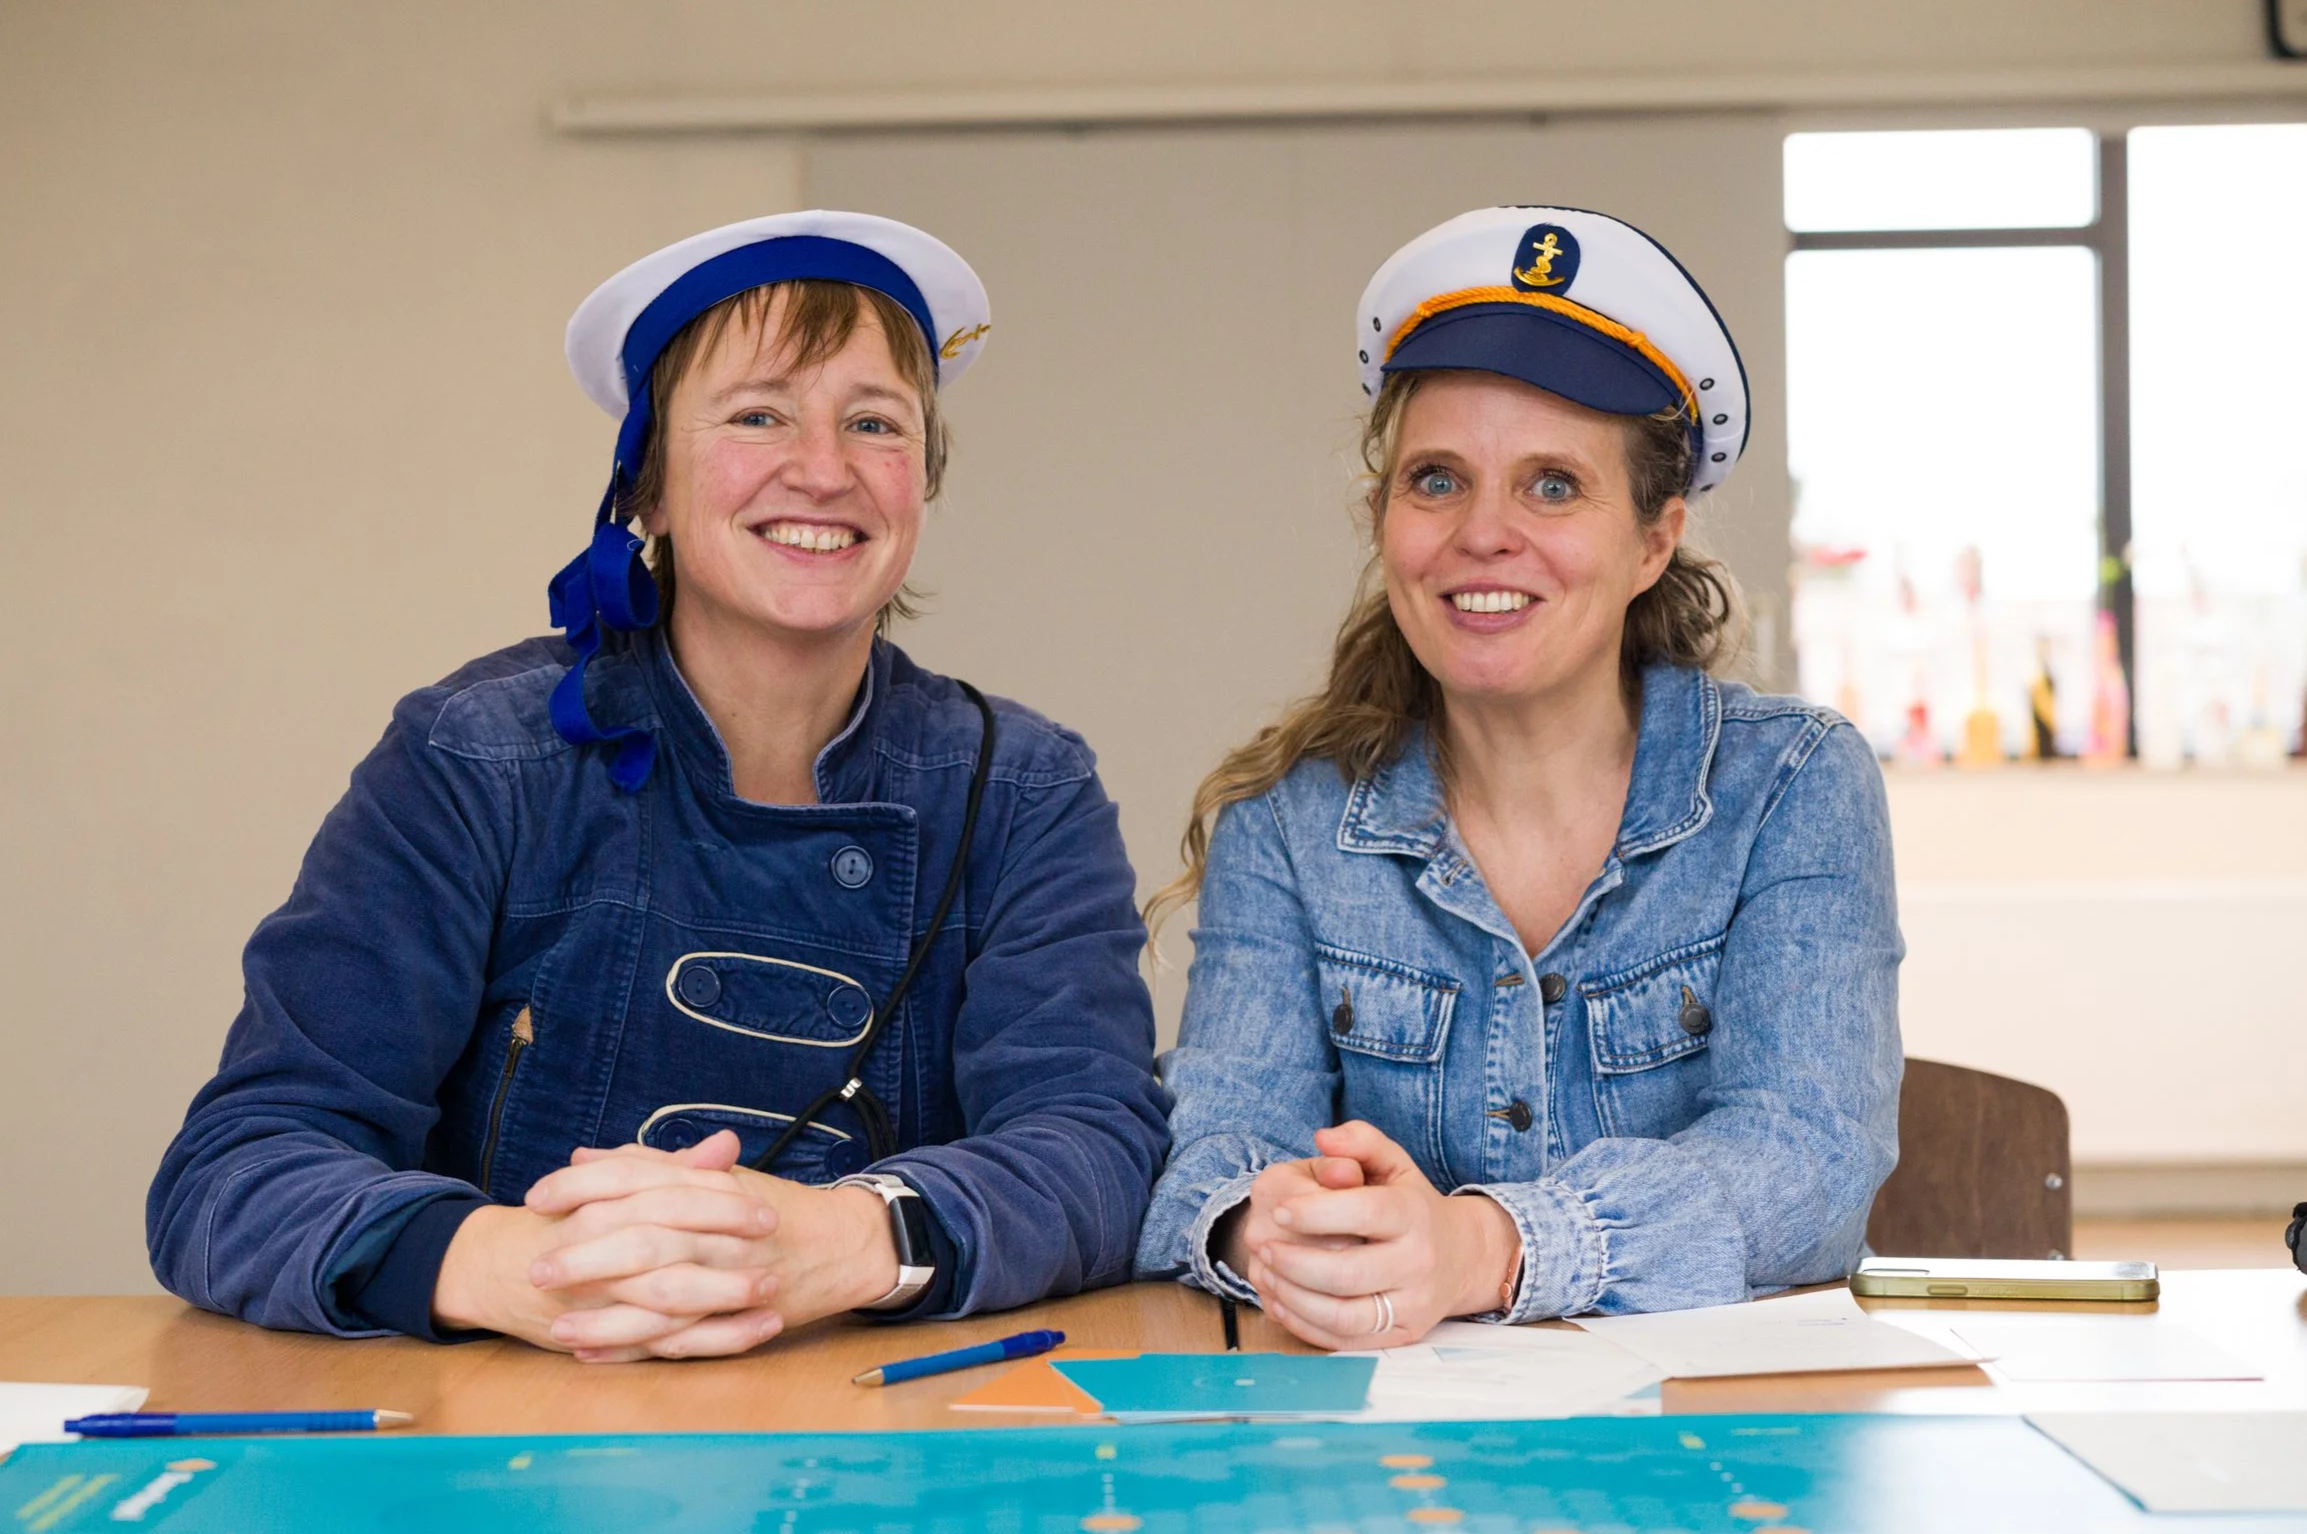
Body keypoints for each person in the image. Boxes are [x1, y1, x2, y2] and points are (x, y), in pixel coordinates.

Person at [149, 212, 1169, 1360]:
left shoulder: (1025, 789)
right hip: (512, 1440)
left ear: (918, 485)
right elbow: (236, 1167)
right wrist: (521, 1266)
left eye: (874, 423)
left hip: (880, 1434)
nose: (823, 469)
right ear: (650, 491)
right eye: (757, 415)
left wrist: (839, 1240)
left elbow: (1094, 1146)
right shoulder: (473, 760)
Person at [1136, 207, 1902, 1348]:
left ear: (1654, 540)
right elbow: (1216, 1149)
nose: (1483, 533)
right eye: (1437, 480)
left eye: (1552, 486)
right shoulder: (1286, 816)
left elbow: (1807, 1159)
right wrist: (1281, 1225)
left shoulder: (1792, 784)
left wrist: (1483, 1247)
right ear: (1385, 518)